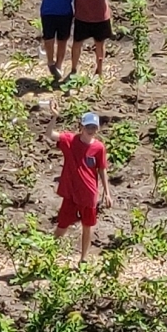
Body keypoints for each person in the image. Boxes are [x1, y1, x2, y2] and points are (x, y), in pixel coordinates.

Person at [53, 107, 110, 259]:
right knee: (62, 225)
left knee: (87, 227)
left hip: (89, 193)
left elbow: (102, 169)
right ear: (81, 127)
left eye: (93, 127)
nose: (90, 130)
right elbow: (50, 135)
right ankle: (49, 253)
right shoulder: (70, 140)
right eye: (88, 126)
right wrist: (54, 117)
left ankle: (83, 259)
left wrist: (107, 192)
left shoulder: (99, 147)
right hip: (71, 192)